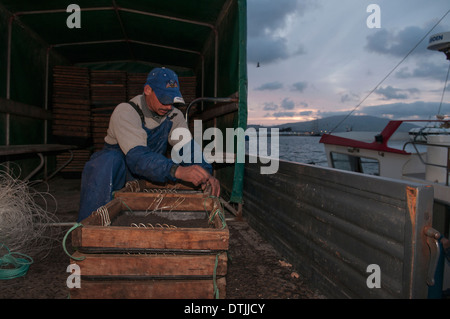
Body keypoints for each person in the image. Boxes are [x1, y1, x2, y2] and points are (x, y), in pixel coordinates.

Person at [78, 67, 219, 222]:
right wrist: (177, 171)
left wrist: (205, 173)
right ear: (147, 90)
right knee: (107, 161)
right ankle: (88, 226)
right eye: (164, 99)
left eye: (172, 100)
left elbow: (188, 149)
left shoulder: (173, 115)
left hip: (150, 172)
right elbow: (138, 158)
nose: (168, 106)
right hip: (117, 175)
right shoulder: (126, 112)